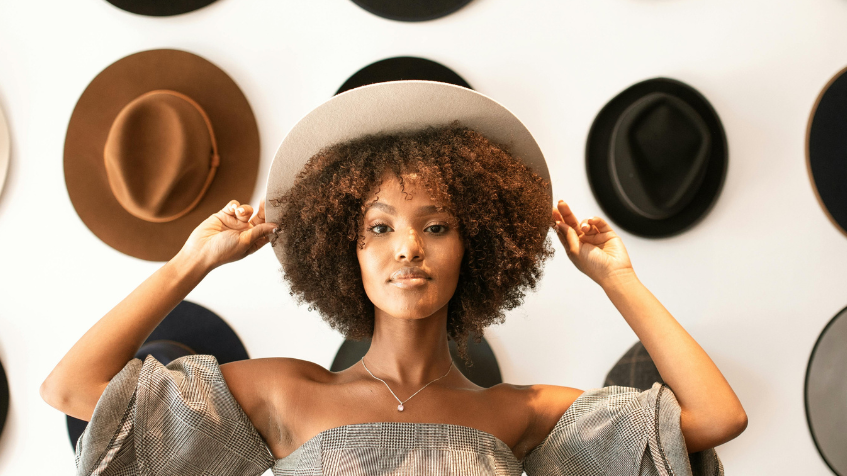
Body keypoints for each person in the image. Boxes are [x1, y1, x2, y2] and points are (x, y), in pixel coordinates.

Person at [42, 124, 746, 476]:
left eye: (435, 226)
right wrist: (192, 261)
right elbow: (72, 387)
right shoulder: (284, 395)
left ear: (472, 248)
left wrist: (615, 278)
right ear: (345, 250)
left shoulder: (522, 414)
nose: (407, 248)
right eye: (379, 228)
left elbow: (716, 417)